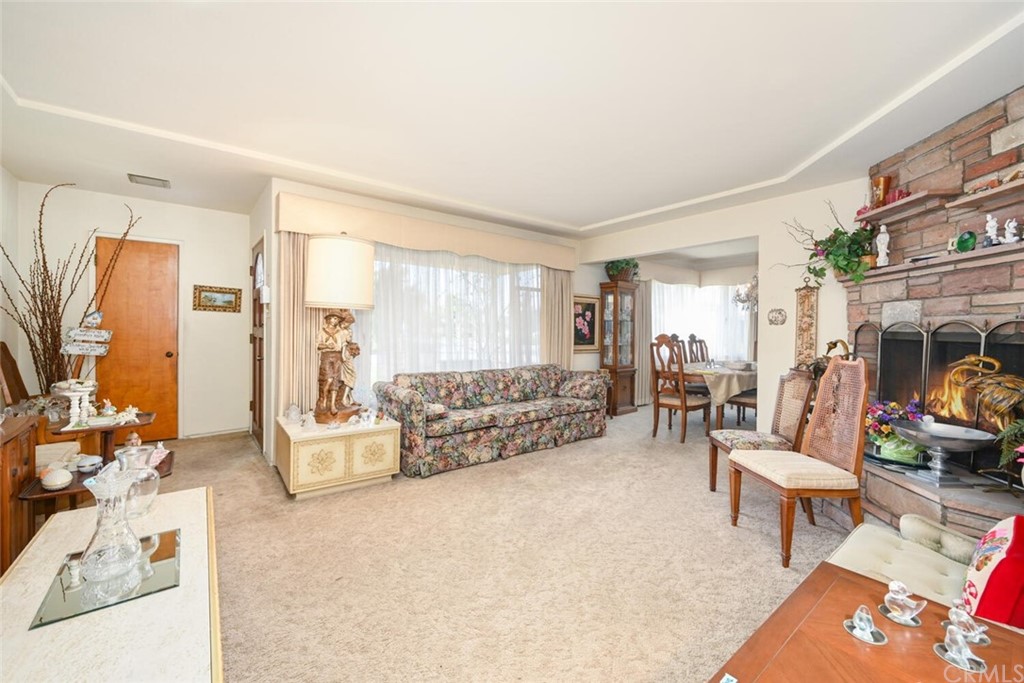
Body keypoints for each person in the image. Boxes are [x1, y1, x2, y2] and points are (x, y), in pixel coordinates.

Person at [316, 310, 360, 416]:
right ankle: (324, 399)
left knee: (336, 381)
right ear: (329, 319)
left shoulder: (340, 332)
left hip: (337, 356)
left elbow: (345, 343)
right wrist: (327, 346)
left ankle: (332, 405)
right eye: (333, 318)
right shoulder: (322, 331)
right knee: (328, 379)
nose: (334, 321)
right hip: (327, 356)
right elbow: (318, 345)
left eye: (337, 319)